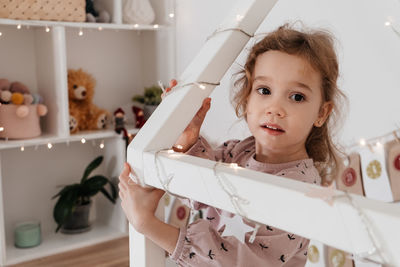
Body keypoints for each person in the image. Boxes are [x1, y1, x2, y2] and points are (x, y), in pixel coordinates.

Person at [118, 23, 346, 266]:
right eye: (264, 90)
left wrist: (148, 225)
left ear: (321, 113)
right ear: (247, 99)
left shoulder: (300, 188)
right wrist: (187, 135)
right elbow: (200, 191)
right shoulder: (236, 152)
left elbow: (247, 261)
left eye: (297, 97)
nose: (275, 108)